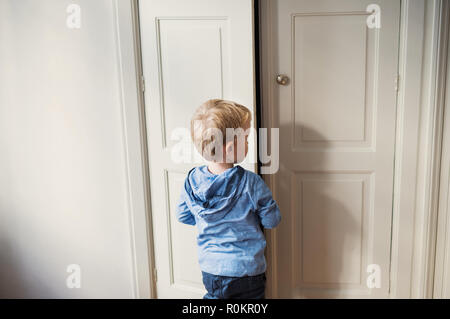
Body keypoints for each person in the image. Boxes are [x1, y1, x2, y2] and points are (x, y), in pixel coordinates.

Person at [176, 99, 281, 299]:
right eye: (247, 138)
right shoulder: (251, 183)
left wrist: (209, 220)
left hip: (211, 268)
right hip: (247, 270)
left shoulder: (191, 181)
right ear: (231, 148)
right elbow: (272, 220)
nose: (249, 143)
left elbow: (183, 215)